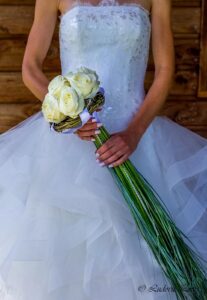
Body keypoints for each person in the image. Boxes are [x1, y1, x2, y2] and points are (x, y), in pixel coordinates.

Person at [0, 0, 206, 299]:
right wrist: (68, 115)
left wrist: (134, 134)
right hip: (70, 139)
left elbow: (164, 71)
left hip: (136, 137)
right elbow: (31, 67)